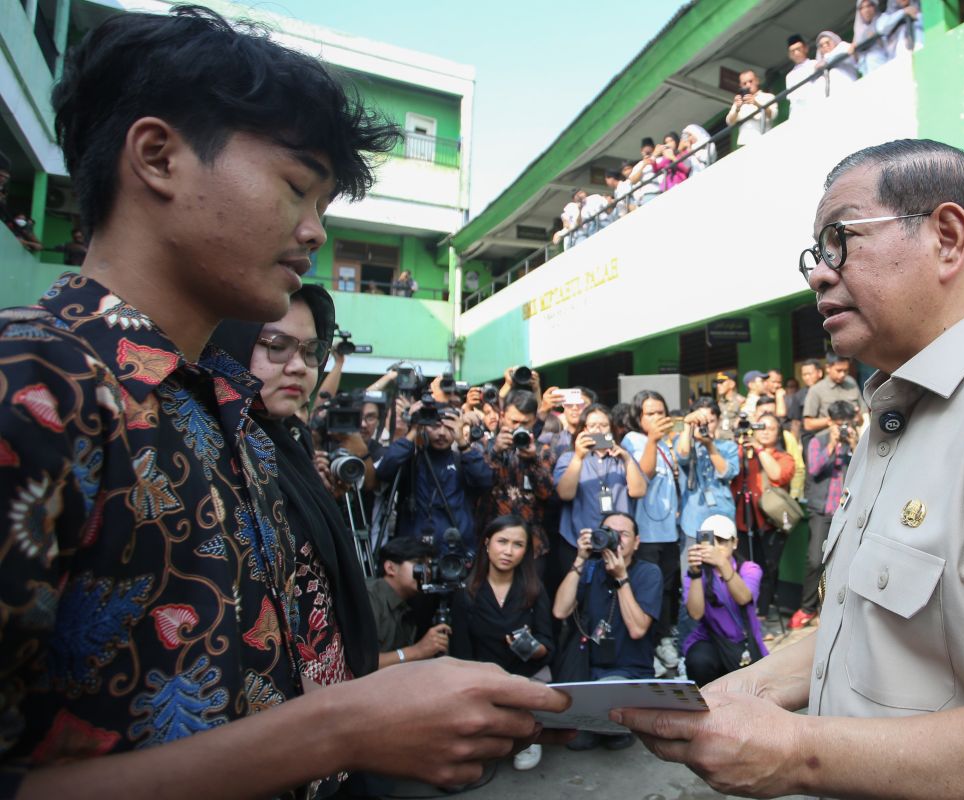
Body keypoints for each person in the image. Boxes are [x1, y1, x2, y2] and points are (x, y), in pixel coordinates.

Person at [0, 7, 567, 796]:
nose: (314, 235)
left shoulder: (232, 412)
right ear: (158, 156)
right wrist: (341, 728)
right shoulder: (31, 382)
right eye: (297, 189)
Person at [618, 139, 964, 800]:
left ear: (946, 237)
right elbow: (869, 625)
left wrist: (801, 753)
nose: (820, 274)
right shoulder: (897, 413)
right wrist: (746, 691)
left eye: (841, 240)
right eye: (815, 254)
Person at [209, 285, 377, 695]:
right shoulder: (212, 451)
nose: (299, 366)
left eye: (311, 351)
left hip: (329, 702)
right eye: (278, 346)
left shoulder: (288, 441)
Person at [451, 516, 555, 771]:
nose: (509, 551)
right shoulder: (467, 592)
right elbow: (461, 652)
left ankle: (529, 733)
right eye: (502, 541)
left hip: (524, 677)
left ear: (526, 551)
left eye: (518, 544)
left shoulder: (533, 589)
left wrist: (530, 647)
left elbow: (548, 646)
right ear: (487, 543)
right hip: (484, 681)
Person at [552, 511, 663, 750]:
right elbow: (560, 611)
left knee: (610, 696)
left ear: (637, 542)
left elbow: (637, 629)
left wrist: (621, 578)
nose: (616, 540)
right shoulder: (590, 569)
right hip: (588, 670)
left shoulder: (648, 572)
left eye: (623, 534)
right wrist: (580, 559)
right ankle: (608, 723)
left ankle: (611, 723)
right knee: (577, 742)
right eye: (609, 533)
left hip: (629, 672)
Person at [375, 395, 494, 555]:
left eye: (449, 427)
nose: (442, 433)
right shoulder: (412, 461)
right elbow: (384, 470)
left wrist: (463, 444)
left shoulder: (463, 460)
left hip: (456, 549)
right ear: (425, 426)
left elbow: (485, 481)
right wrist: (413, 430)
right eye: (435, 426)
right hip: (415, 550)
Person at [621, 391, 683, 675]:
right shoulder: (633, 440)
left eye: (661, 412)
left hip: (669, 531)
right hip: (645, 532)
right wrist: (653, 440)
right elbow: (641, 476)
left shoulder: (668, 442)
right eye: (650, 413)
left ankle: (664, 641)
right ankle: (647, 649)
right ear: (638, 417)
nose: (658, 417)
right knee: (647, 590)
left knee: (670, 590)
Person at [552, 403, 647, 589]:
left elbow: (638, 491)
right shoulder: (568, 458)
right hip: (578, 542)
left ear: (611, 429)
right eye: (592, 425)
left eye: (603, 425)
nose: (598, 430)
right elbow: (565, 494)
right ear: (583, 429)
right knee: (577, 598)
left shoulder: (624, 458)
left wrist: (626, 459)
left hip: (617, 544)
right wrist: (579, 457)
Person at [789, 400, 857, 631]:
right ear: (830, 422)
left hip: (848, 510)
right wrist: (833, 446)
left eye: (847, 423)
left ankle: (833, 610)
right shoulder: (817, 440)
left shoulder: (857, 440)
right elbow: (815, 469)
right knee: (814, 560)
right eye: (840, 424)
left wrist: (855, 445)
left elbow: (864, 469)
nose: (844, 428)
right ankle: (808, 608)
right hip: (822, 510)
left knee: (845, 561)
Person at [682, 514, 767, 687]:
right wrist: (696, 573)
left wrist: (722, 563)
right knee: (698, 662)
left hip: (743, 643)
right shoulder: (696, 573)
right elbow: (696, 613)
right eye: (711, 542)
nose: (716, 548)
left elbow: (743, 597)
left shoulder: (749, 568)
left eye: (721, 541)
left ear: (734, 543)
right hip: (711, 641)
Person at [478, 390, 556, 564]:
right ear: (503, 416)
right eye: (514, 421)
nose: (518, 427)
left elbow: (547, 495)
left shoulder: (543, 451)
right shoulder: (484, 446)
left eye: (525, 423)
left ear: (534, 420)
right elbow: (478, 484)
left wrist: (533, 461)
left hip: (532, 543)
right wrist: (496, 452)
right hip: (493, 539)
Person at [730, 414, 795, 622]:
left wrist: (759, 448)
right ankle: (742, 611)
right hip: (741, 519)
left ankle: (763, 613)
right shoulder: (743, 453)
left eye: (771, 428)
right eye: (761, 427)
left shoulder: (783, 457)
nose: (765, 431)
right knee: (741, 567)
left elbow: (777, 475)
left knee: (766, 569)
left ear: (778, 433)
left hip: (769, 524)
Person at [367, 537, 452, 666]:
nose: (426, 572)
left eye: (428, 566)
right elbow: (362, 663)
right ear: (390, 568)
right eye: (419, 564)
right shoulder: (369, 597)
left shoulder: (415, 601)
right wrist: (417, 651)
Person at [675, 399, 740, 559]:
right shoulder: (685, 441)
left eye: (711, 421)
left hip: (722, 513)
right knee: (693, 572)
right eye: (702, 421)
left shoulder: (728, 446)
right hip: (693, 518)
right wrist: (688, 425)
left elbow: (727, 472)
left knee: (722, 572)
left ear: (718, 421)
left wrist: (710, 445)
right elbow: (682, 455)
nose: (706, 425)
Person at [803, 354, 865, 433]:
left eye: (845, 371)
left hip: (853, 440)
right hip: (827, 442)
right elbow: (808, 424)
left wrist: (858, 417)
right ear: (828, 368)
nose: (842, 374)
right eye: (839, 370)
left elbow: (863, 416)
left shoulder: (851, 383)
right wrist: (833, 421)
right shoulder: (816, 390)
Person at [725, 70, 777, 148]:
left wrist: (756, 103)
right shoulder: (738, 102)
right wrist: (737, 109)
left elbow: (773, 115)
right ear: (741, 86)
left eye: (750, 81)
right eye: (744, 83)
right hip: (744, 143)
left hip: (764, 140)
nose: (748, 85)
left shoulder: (768, 96)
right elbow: (730, 122)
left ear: (757, 81)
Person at [813, 31, 859, 98]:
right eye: (821, 45)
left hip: (848, 86)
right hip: (832, 94)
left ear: (834, 41)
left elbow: (849, 53)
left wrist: (825, 63)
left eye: (827, 43)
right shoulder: (819, 62)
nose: (825, 46)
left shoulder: (842, 46)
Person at [852, 0, 890, 76]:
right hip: (867, 74)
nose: (866, 10)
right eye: (862, 8)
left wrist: (876, 38)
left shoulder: (884, 19)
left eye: (869, 6)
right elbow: (856, 62)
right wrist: (853, 51)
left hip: (885, 66)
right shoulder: (858, 32)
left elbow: (891, 44)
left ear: (875, 7)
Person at [784, 34, 820, 112]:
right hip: (799, 112)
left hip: (817, 104)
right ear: (789, 55)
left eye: (798, 49)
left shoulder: (815, 64)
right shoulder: (790, 76)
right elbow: (792, 99)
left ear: (806, 48)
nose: (796, 53)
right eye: (792, 51)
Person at [714, 370, 743, 440]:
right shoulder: (718, 403)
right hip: (718, 442)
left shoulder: (741, 402)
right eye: (717, 383)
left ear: (732, 384)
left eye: (721, 382)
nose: (718, 385)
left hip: (733, 442)